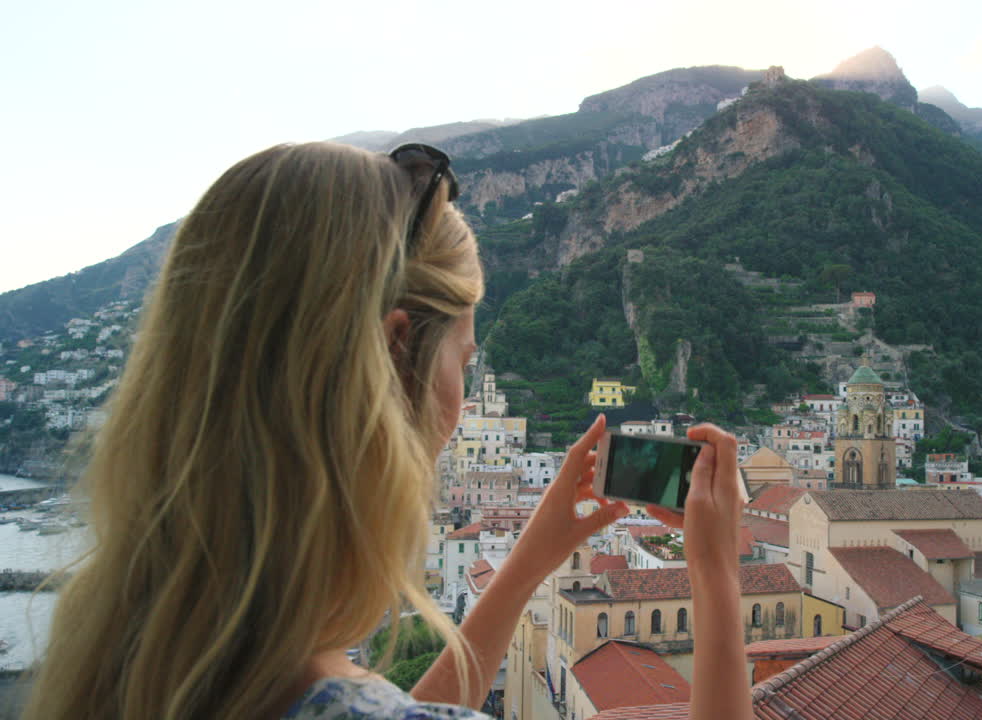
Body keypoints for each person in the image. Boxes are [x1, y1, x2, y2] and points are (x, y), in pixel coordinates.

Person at [21, 141, 751, 720]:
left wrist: (526, 561)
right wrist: (716, 579)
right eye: (462, 359)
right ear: (396, 355)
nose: (465, 393)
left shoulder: (131, 652)